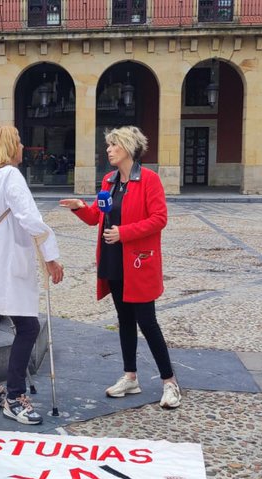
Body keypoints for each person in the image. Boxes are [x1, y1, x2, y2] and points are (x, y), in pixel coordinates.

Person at [59, 126, 179, 409]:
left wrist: (124, 233)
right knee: (124, 320)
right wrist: (79, 207)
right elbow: (97, 217)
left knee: (147, 323)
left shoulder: (149, 180)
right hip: (114, 259)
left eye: (113, 146)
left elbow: (159, 218)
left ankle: (170, 382)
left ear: (126, 148)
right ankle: (130, 377)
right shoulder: (109, 180)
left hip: (138, 261)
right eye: (109, 146)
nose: (109, 150)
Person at [0, 125, 64, 426]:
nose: (23, 146)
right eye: (19, 142)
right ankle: (15, 396)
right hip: (5, 259)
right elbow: (31, 218)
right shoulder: (9, 176)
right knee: (28, 326)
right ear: (10, 147)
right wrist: (51, 256)